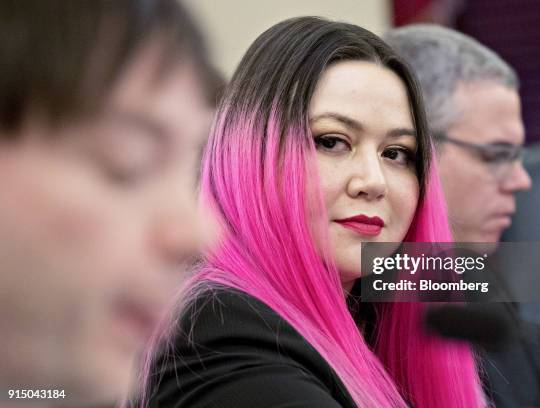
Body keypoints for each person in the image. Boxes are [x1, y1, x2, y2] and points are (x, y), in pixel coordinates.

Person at [141, 16, 483, 408]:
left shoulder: (387, 314)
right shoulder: (219, 328)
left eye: (396, 154)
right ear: (253, 155)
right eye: (332, 142)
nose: (374, 181)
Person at [0, 1, 221, 406]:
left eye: (383, 151)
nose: (196, 233)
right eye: (128, 160)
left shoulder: (373, 282)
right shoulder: (232, 321)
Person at [385, 24, 540, 408]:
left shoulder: (461, 286)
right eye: (495, 155)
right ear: (408, 150)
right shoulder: (349, 318)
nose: (522, 181)